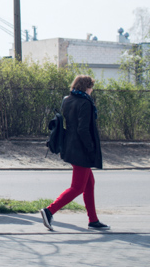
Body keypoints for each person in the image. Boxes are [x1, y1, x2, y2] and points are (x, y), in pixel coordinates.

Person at [40, 75, 110, 231]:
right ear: (86, 87)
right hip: (81, 150)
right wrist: (91, 148)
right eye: (91, 87)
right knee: (78, 187)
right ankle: (49, 210)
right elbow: (83, 129)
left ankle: (93, 220)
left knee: (89, 183)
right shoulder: (85, 103)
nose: (92, 90)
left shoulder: (68, 100)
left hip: (70, 146)